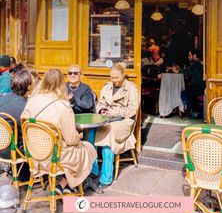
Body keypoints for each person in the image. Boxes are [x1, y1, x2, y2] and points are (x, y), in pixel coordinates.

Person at [21, 68, 97, 194]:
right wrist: (80, 136)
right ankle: (72, 183)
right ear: (62, 84)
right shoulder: (63, 106)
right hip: (55, 158)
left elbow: (24, 123)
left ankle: (63, 184)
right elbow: (71, 140)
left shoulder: (31, 101)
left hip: (34, 155)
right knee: (88, 148)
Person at [89, 63, 139, 193]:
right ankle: (93, 172)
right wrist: (103, 110)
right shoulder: (107, 87)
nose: (114, 80)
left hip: (123, 122)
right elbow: (100, 103)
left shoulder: (131, 89)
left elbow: (132, 111)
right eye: (111, 77)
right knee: (90, 133)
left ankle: (106, 178)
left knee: (108, 136)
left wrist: (115, 112)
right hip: (107, 119)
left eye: (116, 78)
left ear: (123, 75)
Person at [178, 49, 205, 116]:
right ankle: (194, 110)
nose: (188, 57)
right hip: (202, 87)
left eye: (190, 55)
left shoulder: (195, 64)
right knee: (189, 90)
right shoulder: (201, 63)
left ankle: (194, 111)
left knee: (183, 93)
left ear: (195, 55)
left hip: (198, 87)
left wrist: (177, 71)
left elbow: (187, 72)